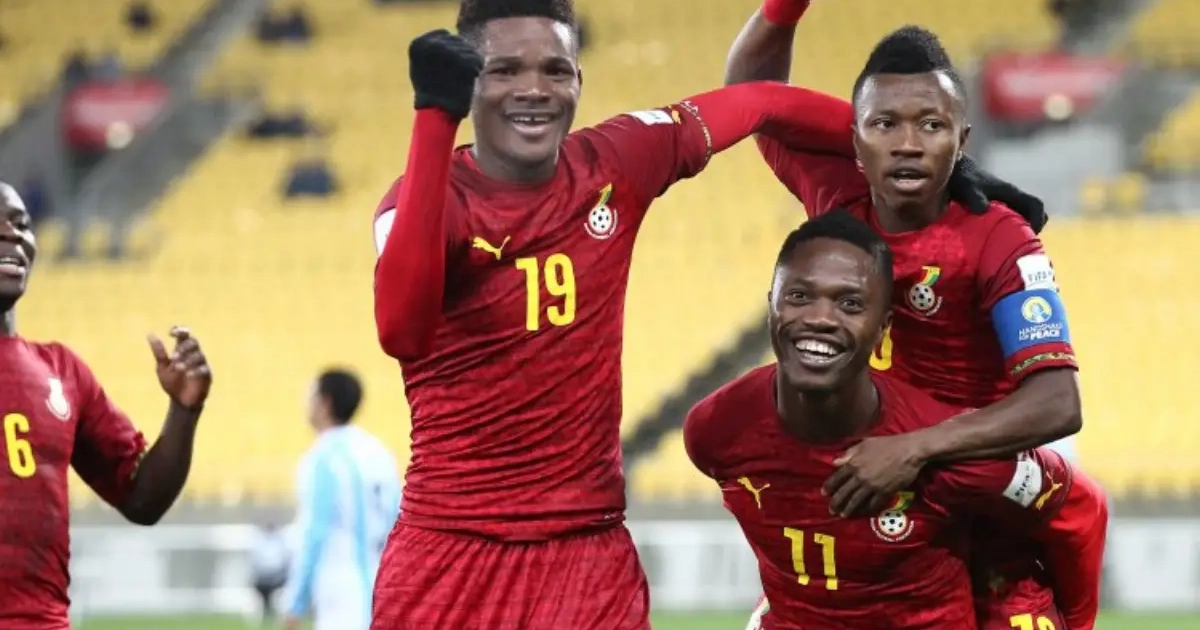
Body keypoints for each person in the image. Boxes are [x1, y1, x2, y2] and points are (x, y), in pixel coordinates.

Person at [368, 0, 896, 626]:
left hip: (586, 557)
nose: (534, 89)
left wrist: (908, 158)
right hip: (451, 555)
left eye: (555, 70)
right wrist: (434, 118)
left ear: (579, 80)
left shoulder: (615, 160)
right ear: (469, 82)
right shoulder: (424, 200)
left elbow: (762, 102)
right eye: (505, 70)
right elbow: (402, 330)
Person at [726, 6, 1084, 625]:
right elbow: (752, 100)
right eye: (885, 124)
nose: (909, 144)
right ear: (855, 141)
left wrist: (914, 448)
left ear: (962, 141)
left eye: (931, 125)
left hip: (974, 525)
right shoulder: (837, 200)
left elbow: (1058, 403)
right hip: (866, 522)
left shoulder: (1000, 239)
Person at [684, 210, 1106, 630]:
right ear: (771, 306)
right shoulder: (717, 430)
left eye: (850, 304)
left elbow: (1082, 510)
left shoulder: (950, 452)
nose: (820, 318)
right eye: (798, 296)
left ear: (883, 328)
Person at [0, 182, 212, 630]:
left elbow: (142, 500)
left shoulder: (62, 370)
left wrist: (184, 411)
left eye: (21, 224)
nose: (12, 234)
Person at [281, 369, 400, 630]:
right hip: (385, 587)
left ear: (325, 402)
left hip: (341, 593)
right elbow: (397, 521)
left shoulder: (322, 458)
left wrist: (295, 602)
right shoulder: (379, 452)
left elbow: (314, 533)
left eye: (311, 394)